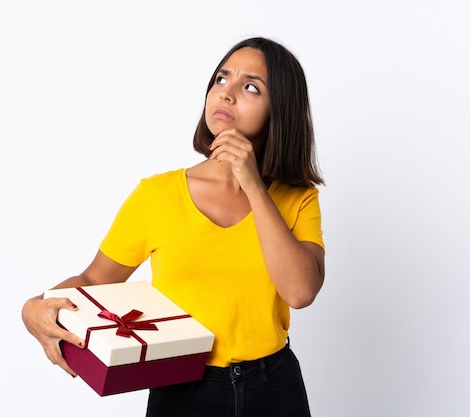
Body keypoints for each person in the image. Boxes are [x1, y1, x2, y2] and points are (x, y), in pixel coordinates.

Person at [22, 36, 325, 417]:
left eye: (251, 87)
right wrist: (34, 305)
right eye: (221, 79)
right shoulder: (157, 194)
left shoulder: (298, 198)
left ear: (279, 109)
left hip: (275, 387)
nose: (226, 94)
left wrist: (252, 184)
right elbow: (97, 279)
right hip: (182, 387)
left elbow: (300, 292)